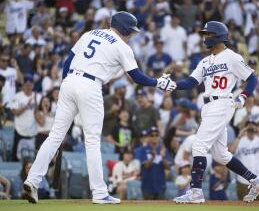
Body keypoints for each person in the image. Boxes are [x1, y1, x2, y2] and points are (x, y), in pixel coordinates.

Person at [23, 11, 176, 204]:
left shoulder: (90, 33)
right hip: (90, 85)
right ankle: (99, 192)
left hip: (69, 81)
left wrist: (66, 84)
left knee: (55, 135)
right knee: (93, 140)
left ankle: (32, 180)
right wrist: (158, 83)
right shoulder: (122, 46)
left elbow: (68, 60)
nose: (131, 34)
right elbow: (137, 77)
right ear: (125, 28)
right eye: (130, 31)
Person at [168, 21, 259, 204]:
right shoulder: (205, 61)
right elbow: (191, 82)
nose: (205, 37)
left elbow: (252, 78)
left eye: (208, 34)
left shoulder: (232, 57)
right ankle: (256, 180)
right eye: (205, 34)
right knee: (220, 155)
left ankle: (196, 192)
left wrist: (244, 96)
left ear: (218, 36)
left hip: (222, 103)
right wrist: (171, 84)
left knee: (199, 146)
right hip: (208, 106)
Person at [229, 122, 259, 201]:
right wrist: (240, 135)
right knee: (242, 206)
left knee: (258, 206)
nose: (251, 131)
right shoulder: (240, 140)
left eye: (253, 129)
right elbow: (231, 151)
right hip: (243, 181)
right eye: (249, 129)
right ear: (245, 130)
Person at [139, 126, 172, 200]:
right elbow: (146, 166)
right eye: (152, 135)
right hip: (147, 185)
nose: (154, 137)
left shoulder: (163, 149)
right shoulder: (143, 150)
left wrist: (163, 157)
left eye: (156, 135)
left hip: (160, 185)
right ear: (148, 137)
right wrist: (153, 156)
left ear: (159, 137)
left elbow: (168, 167)